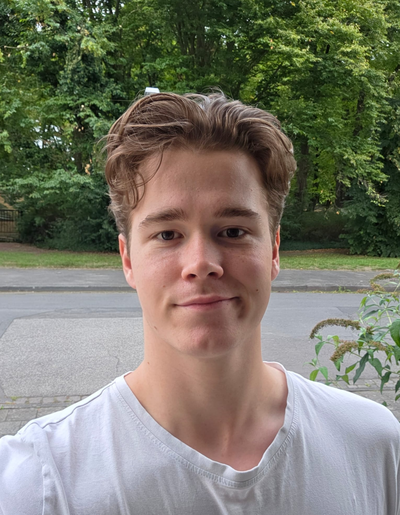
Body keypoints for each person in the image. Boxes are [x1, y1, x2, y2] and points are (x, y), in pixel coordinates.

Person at [1, 92, 399, 514]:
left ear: (274, 250)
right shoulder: (39, 482)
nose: (201, 264)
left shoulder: (373, 444)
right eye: (167, 234)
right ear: (128, 259)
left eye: (233, 231)